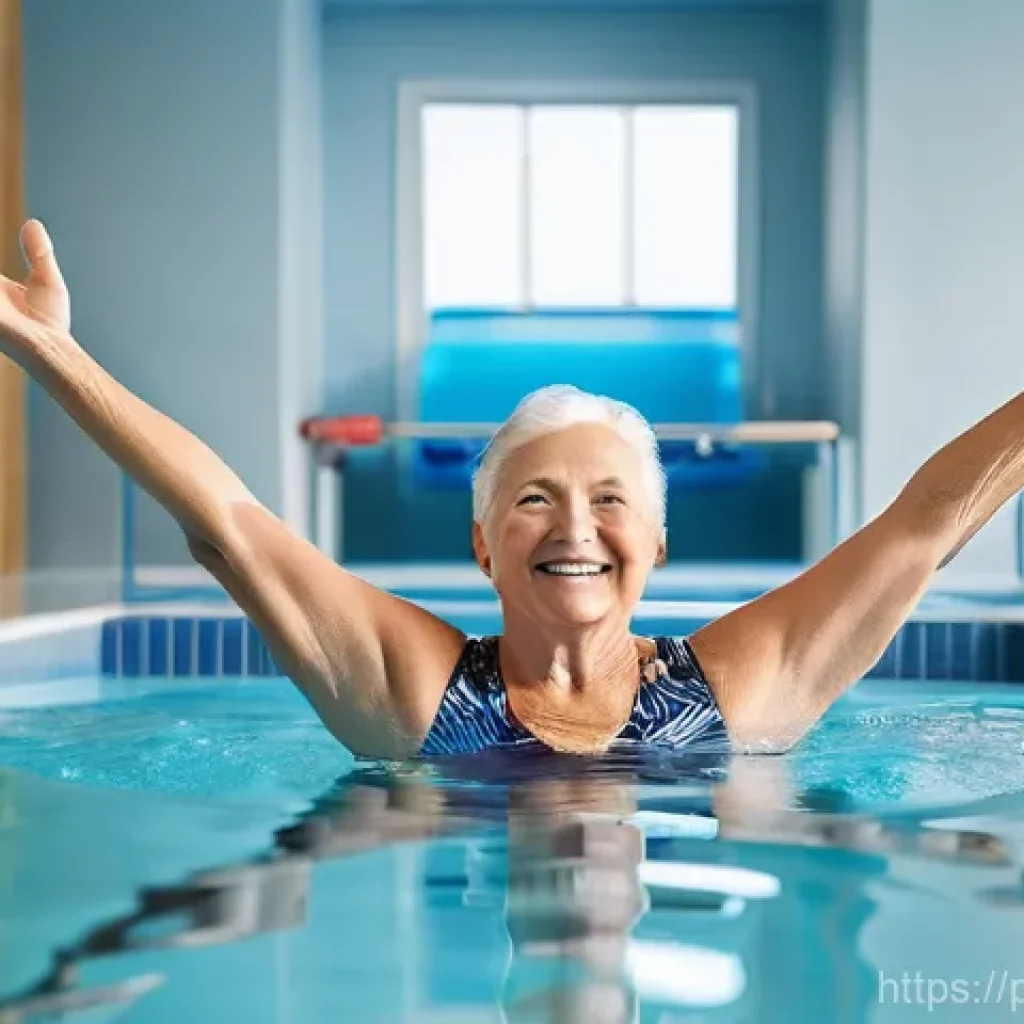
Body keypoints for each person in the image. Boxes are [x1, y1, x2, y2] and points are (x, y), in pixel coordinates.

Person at [0, 220, 1019, 760]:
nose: (575, 525)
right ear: (482, 541)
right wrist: (53, 354)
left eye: (610, 498)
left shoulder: (736, 699)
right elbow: (228, 524)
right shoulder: (416, 697)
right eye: (535, 498)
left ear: (658, 539)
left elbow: (922, 529)